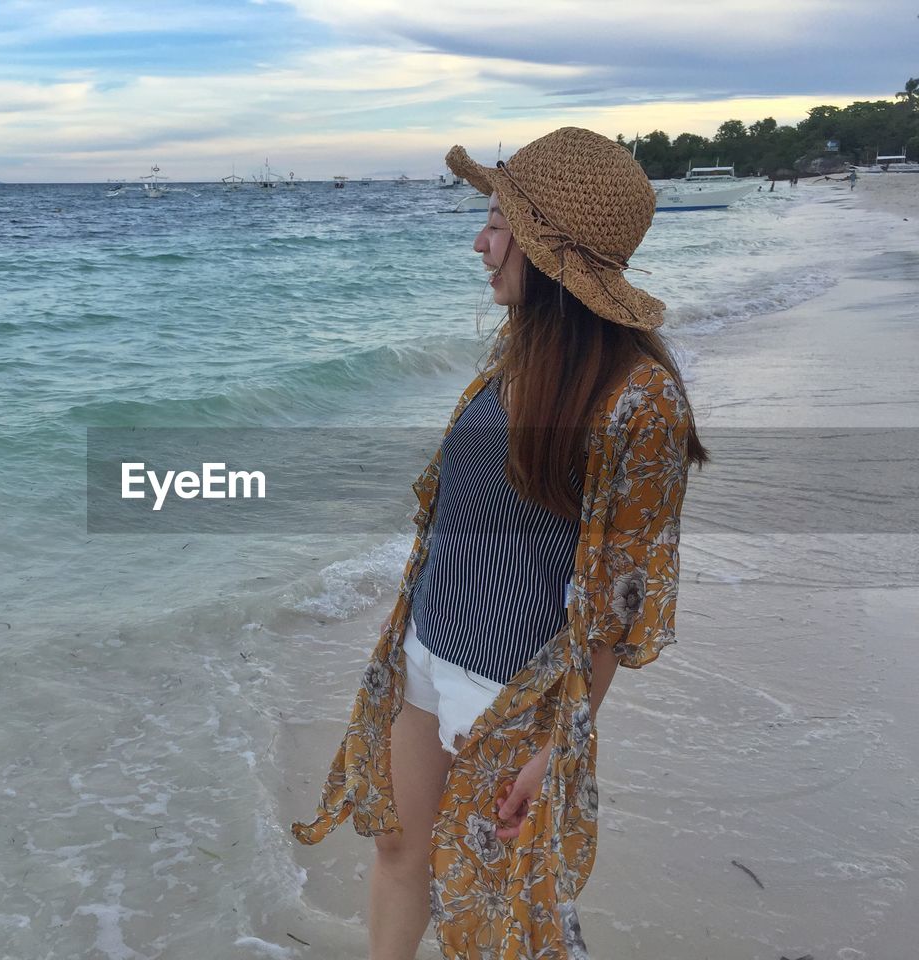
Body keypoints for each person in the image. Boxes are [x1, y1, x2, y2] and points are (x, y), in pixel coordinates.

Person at [292, 127, 710, 960]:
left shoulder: (642, 402)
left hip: (514, 695)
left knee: (507, 908)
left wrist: (562, 741)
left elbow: (622, 601)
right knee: (399, 848)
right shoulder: (520, 352)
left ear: (548, 249)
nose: (479, 242)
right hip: (426, 651)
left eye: (495, 222)